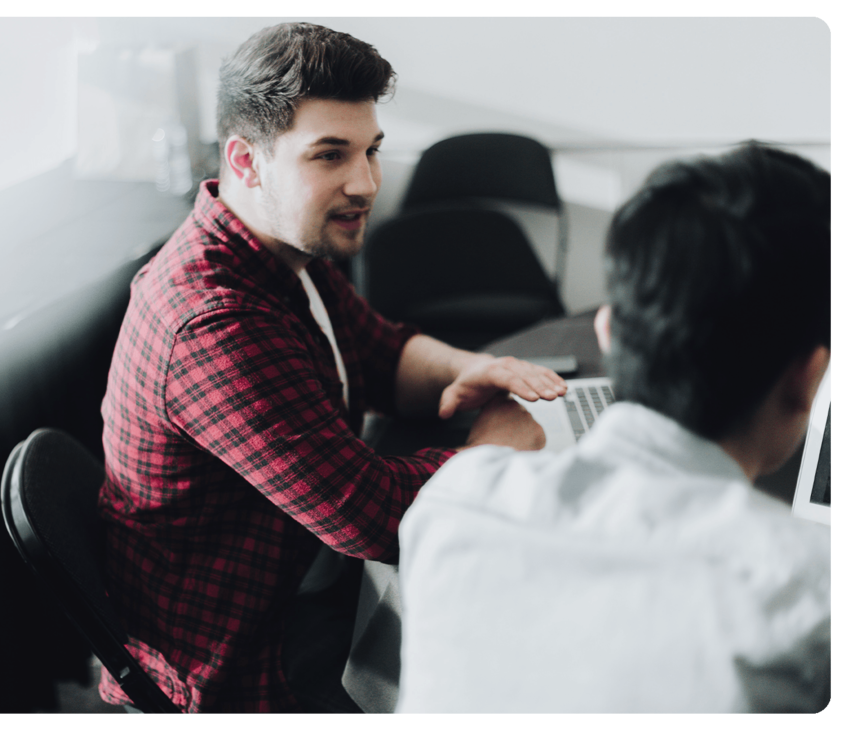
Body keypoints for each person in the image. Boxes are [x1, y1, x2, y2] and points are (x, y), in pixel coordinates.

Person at [96, 22, 566, 714]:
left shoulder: (279, 253)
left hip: (300, 587)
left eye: (371, 151)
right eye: (329, 156)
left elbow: (382, 355)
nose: (366, 182)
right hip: (248, 664)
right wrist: (497, 449)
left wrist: (479, 369)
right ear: (246, 160)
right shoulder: (213, 322)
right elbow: (373, 520)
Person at [396, 142, 833, 714]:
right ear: (810, 375)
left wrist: (484, 452)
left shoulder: (454, 500)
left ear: (607, 333)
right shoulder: (802, 585)